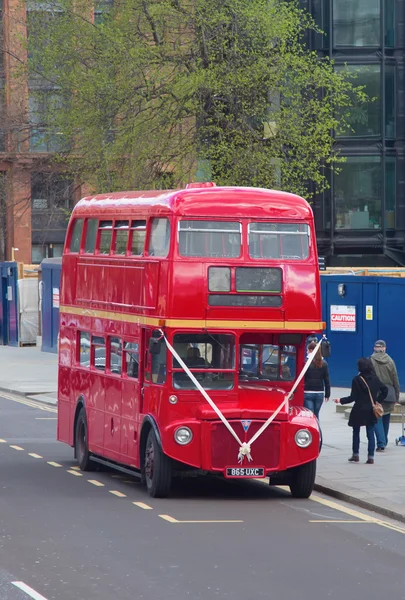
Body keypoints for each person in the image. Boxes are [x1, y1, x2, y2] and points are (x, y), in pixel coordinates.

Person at [334, 358, 388, 465]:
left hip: (358, 409)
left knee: (356, 432)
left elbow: (353, 397)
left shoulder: (357, 380)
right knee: (370, 433)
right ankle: (371, 456)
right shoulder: (375, 378)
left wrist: (341, 400)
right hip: (370, 410)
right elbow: (385, 390)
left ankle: (356, 454)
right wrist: (378, 401)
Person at [371, 340, 400, 451]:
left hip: (376, 392)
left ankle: (381, 443)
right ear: (384, 348)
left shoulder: (371, 361)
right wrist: (396, 396)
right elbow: (395, 379)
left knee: (377, 416)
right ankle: (384, 440)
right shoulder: (390, 361)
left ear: (375, 348)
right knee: (386, 416)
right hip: (389, 392)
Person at [304, 341, 330, 420]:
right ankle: (318, 431)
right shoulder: (324, 363)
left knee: (310, 416)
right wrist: (327, 394)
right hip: (319, 393)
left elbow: (303, 378)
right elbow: (327, 379)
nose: (306, 351)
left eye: (307, 350)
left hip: (308, 392)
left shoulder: (306, 362)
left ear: (311, 350)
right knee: (316, 415)